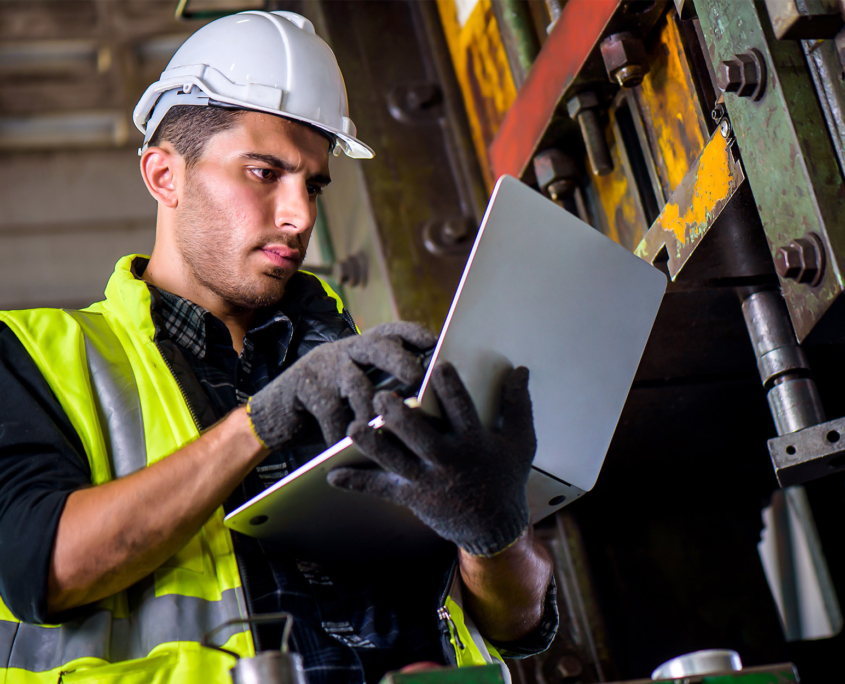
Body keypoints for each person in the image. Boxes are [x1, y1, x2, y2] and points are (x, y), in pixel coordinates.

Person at [0, 11, 556, 684]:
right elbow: (42, 569)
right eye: (264, 173)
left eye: (313, 184)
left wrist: (493, 532)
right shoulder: (35, 353)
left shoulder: (369, 370)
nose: (299, 216)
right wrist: (261, 423)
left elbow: (515, 626)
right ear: (164, 175)